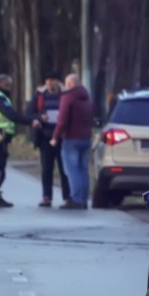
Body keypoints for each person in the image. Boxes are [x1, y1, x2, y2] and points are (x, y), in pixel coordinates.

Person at [0, 74, 41, 208]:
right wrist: (30, 121)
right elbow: (11, 115)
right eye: (8, 86)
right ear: (1, 84)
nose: (10, 88)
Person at [26, 71, 70, 208]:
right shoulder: (39, 96)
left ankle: (67, 197)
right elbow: (29, 113)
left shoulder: (65, 94)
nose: (50, 83)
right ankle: (46, 197)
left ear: (58, 82)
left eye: (53, 80)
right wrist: (39, 118)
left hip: (62, 137)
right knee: (46, 168)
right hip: (45, 136)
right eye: (48, 81)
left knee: (64, 169)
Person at [51, 73, 94, 210]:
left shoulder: (68, 97)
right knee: (83, 169)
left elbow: (62, 120)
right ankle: (83, 199)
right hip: (85, 138)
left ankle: (76, 199)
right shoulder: (87, 97)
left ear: (69, 84)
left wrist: (55, 137)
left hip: (71, 138)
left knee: (72, 170)